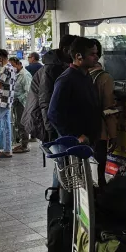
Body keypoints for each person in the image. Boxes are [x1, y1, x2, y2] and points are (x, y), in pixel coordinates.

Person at [23, 34, 77, 192]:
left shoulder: (62, 65)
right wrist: (50, 131)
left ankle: (61, 197)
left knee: (63, 162)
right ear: (67, 50)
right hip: (46, 123)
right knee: (62, 162)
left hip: (54, 122)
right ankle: (57, 197)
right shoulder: (51, 68)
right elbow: (45, 102)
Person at [47, 38, 102, 151]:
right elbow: (54, 113)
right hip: (74, 144)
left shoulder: (86, 76)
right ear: (78, 56)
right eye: (92, 54)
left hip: (88, 141)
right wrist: (75, 135)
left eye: (96, 53)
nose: (96, 57)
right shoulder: (66, 79)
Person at [89, 41, 119, 187]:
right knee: (99, 173)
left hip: (83, 131)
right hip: (99, 131)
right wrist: (113, 135)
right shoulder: (104, 78)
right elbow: (109, 109)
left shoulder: (79, 74)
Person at [9, 56, 32, 153]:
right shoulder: (15, 74)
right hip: (16, 102)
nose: (11, 68)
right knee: (18, 123)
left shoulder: (25, 75)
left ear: (19, 64)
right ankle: (22, 143)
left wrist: (19, 99)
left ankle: (24, 145)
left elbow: (28, 91)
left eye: (13, 65)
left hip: (22, 103)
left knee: (22, 123)